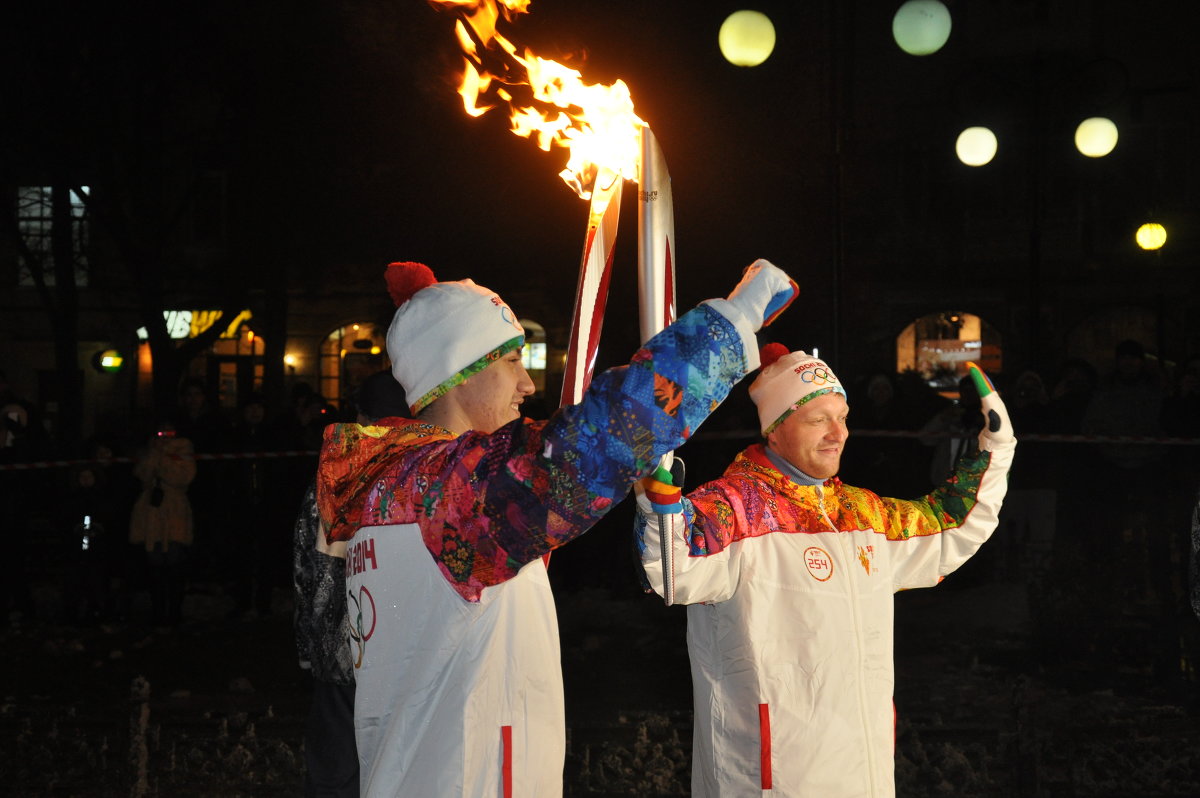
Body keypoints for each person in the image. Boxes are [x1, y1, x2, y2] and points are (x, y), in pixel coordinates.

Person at [316, 258, 798, 796]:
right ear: (460, 371)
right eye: (512, 361)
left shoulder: (397, 491)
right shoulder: (446, 495)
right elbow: (602, 440)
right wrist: (731, 323)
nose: (526, 383)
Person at [634, 345, 1015, 798]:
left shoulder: (862, 513)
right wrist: (657, 504)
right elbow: (673, 570)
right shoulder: (734, 511)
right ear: (775, 430)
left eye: (843, 416)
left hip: (862, 774)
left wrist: (995, 449)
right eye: (819, 419)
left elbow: (950, 529)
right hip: (771, 779)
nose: (839, 433)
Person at [293, 370, 410, 797]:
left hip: (339, 653)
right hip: (401, 654)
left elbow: (306, 560)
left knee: (336, 775)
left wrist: (309, 649)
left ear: (364, 414)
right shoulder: (430, 470)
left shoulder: (336, 469)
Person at [128, 421, 197, 629]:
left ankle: (175, 611)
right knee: (154, 562)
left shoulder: (184, 450)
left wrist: (163, 458)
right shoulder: (148, 452)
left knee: (175, 561)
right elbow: (143, 475)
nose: (164, 437)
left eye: (169, 433)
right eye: (161, 433)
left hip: (175, 512)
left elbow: (182, 477)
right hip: (151, 512)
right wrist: (154, 455)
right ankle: (158, 611)